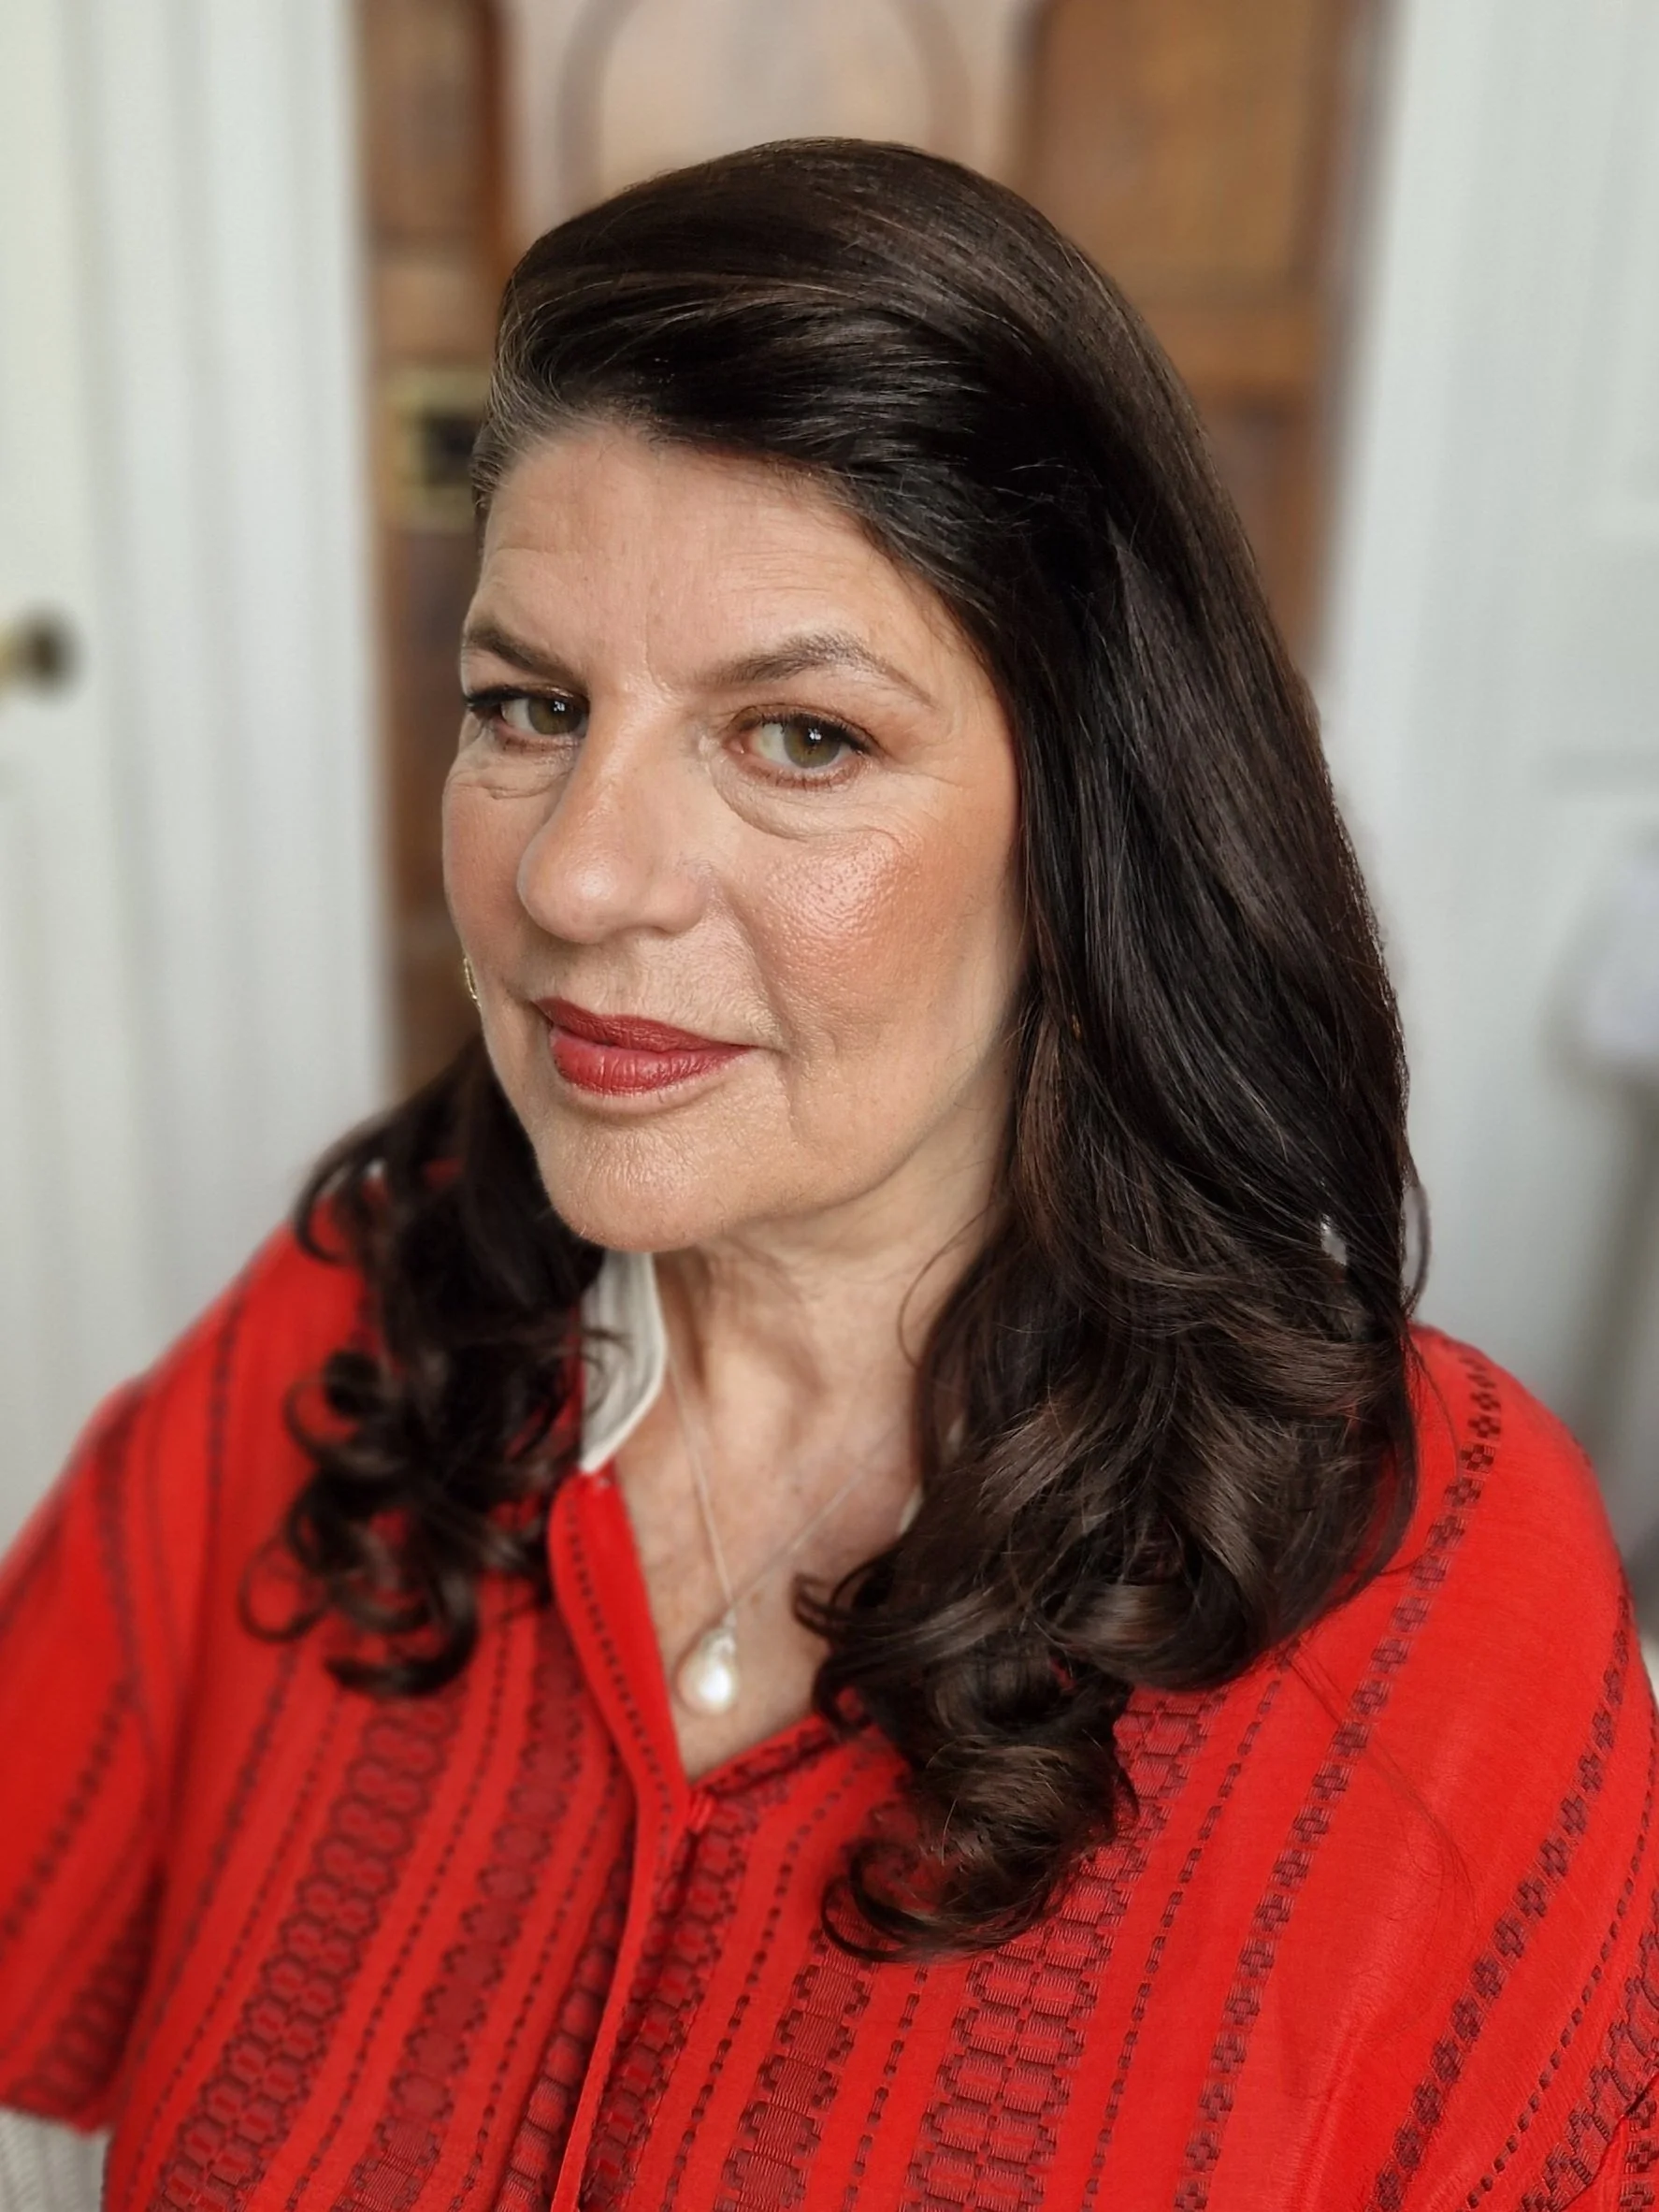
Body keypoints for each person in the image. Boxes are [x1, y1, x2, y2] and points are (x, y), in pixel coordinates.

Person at [2, 139, 1653, 2212]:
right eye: (528, 705)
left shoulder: (1439, 1585)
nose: (574, 873)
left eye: (797, 739)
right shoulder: (341, 1339)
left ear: (1084, 831)